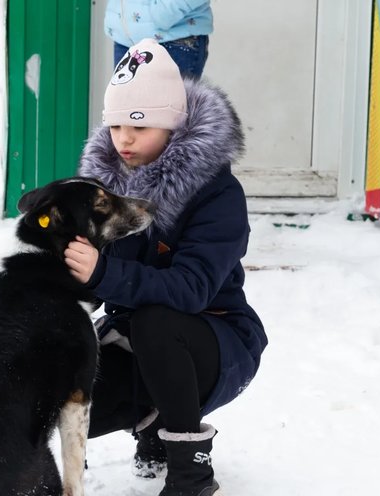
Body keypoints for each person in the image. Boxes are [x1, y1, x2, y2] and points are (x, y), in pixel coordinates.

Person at [65, 38, 267, 496]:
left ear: (174, 125)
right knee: (60, 374)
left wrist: (101, 273)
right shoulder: (106, 189)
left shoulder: (217, 194)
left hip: (216, 343)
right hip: (132, 340)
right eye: (115, 125)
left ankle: (191, 473)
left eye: (140, 125)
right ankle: (54, 464)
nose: (125, 139)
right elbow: (90, 289)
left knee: (158, 323)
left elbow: (191, 289)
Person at [105, 0, 212, 79]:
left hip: (174, 39)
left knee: (169, 106)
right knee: (126, 106)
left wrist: (164, 11)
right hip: (125, 41)